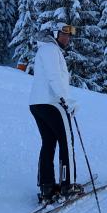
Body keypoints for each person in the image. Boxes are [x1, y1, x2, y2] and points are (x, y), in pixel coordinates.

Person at [29, 23, 82, 203]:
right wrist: (66, 101)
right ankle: (68, 185)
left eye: (69, 35)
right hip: (52, 103)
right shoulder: (51, 50)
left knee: (49, 143)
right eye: (63, 34)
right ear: (54, 33)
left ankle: (47, 187)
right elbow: (53, 77)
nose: (67, 38)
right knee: (67, 142)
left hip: (38, 103)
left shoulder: (45, 49)